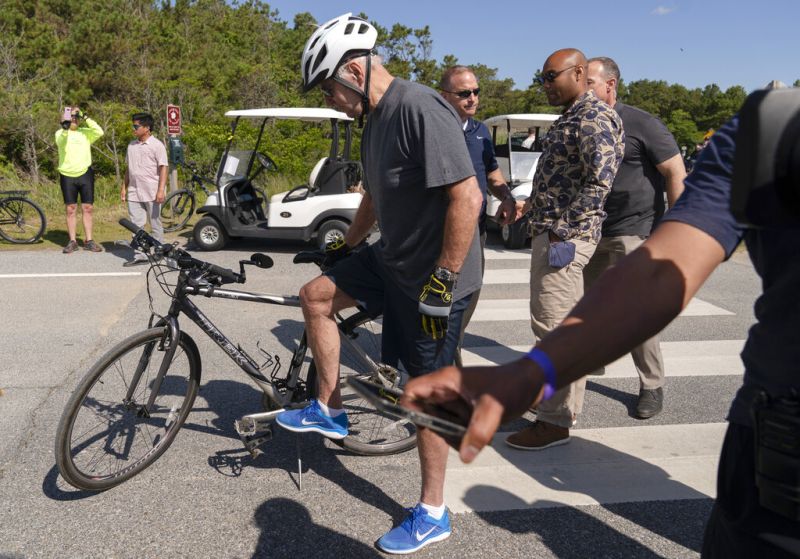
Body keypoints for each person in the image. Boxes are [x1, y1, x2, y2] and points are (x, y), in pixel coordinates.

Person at [403, 112, 800, 557]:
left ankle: (651, 386)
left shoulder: (651, 126)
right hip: (776, 447)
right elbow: (658, 276)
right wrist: (532, 373)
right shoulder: (768, 128)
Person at [274, 14, 483, 555]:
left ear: (353, 70)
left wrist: (444, 278)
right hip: (393, 259)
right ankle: (331, 409)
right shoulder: (373, 121)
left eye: (330, 89)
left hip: (436, 277)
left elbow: (468, 198)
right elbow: (372, 197)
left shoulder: (419, 108)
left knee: (423, 395)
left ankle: (433, 512)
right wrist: (347, 246)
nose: (332, 101)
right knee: (315, 296)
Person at [505, 48, 624, 451]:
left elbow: (599, 181)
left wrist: (562, 232)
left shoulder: (592, 116)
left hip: (564, 240)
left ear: (578, 72)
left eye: (550, 76)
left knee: (553, 330)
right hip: (554, 233)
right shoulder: (573, 115)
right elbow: (564, 179)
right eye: (541, 78)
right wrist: (530, 209)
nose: (545, 85)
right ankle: (555, 409)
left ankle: (554, 422)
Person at [582, 56, 687, 420]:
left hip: (633, 231)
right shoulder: (583, 122)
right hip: (589, 230)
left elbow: (675, 171)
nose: (584, 90)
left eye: (590, 83)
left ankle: (651, 384)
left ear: (610, 85)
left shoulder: (641, 122)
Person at [438, 65, 517, 367]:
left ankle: (449, 353)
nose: (473, 98)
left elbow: (494, 176)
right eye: (464, 93)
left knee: (468, 296)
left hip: (476, 231)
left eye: (476, 92)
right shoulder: (434, 129)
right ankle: (445, 365)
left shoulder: (480, 131)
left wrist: (508, 198)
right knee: (447, 298)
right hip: (442, 231)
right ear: (445, 96)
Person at [55, 106, 104, 253]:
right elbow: (61, 142)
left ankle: (89, 241)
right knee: (71, 209)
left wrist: (85, 116)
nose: (74, 120)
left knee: (87, 208)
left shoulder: (85, 133)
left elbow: (100, 131)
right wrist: (65, 125)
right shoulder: (60, 133)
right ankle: (72, 241)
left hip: (85, 173)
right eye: (71, 118)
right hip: (67, 174)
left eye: (76, 117)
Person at [121, 113, 168, 266]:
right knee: (136, 224)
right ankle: (140, 255)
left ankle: (160, 251)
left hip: (152, 191)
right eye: (133, 126)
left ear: (147, 128)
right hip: (134, 191)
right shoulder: (131, 145)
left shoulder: (157, 145)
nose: (133, 129)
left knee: (155, 223)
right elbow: (128, 169)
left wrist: (161, 190)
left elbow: (163, 168)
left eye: (136, 126)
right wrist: (124, 187)